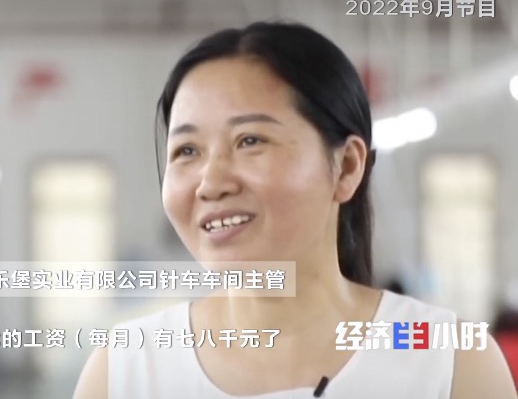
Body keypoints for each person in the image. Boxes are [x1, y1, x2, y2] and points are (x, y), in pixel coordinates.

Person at [73, 21, 517, 398]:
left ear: (347, 167)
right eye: (187, 150)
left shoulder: (450, 361)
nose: (211, 182)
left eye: (250, 141)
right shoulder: (124, 369)